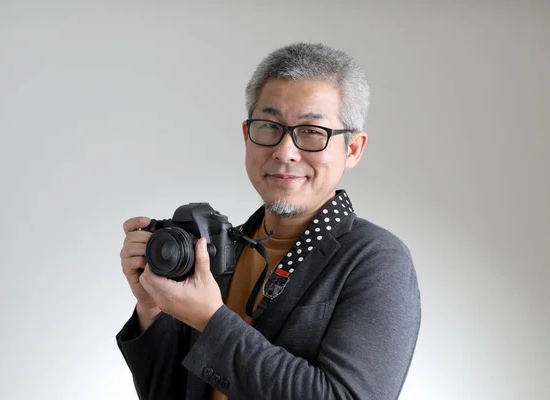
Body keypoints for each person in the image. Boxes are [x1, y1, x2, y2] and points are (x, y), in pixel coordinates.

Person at [116, 42, 421, 400]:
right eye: (268, 126)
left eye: (311, 132)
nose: (284, 151)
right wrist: (152, 308)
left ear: (353, 149)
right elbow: (167, 393)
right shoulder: (219, 248)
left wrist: (211, 321)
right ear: (247, 135)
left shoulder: (378, 260)